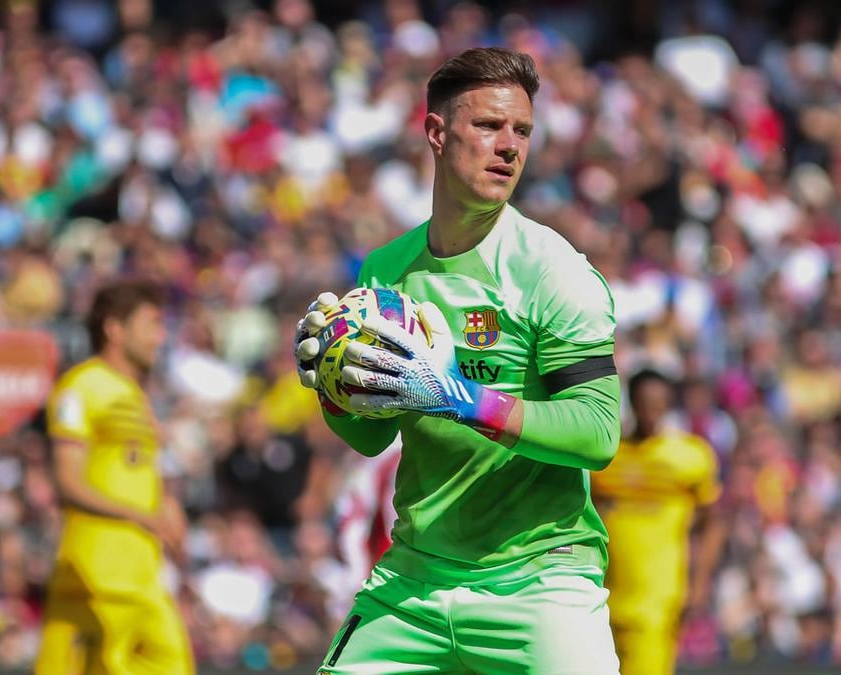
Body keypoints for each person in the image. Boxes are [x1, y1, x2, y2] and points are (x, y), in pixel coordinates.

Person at [296, 47, 622, 673]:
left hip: (539, 583)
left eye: (522, 130)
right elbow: (371, 437)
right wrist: (333, 387)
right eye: (489, 125)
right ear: (437, 133)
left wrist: (458, 398)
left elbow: (598, 432)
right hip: (414, 580)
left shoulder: (553, 271)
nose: (509, 147)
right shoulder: (386, 270)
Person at [35, 280, 194, 675]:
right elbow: (67, 482)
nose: (161, 337)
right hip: (92, 580)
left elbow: (131, 473)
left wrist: (166, 510)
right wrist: (143, 516)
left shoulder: (136, 396)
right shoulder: (81, 386)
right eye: (152, 324)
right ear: (115, 329)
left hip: (142, 577)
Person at [591, 369, 726, 674]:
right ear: (632, 403)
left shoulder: (690, 456)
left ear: (668, 405)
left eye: (658, 404)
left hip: (658, 599)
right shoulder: (609, 454)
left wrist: (700, 583)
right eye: (644, 403)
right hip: (602, 595)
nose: (650, 412)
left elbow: (713, 523)